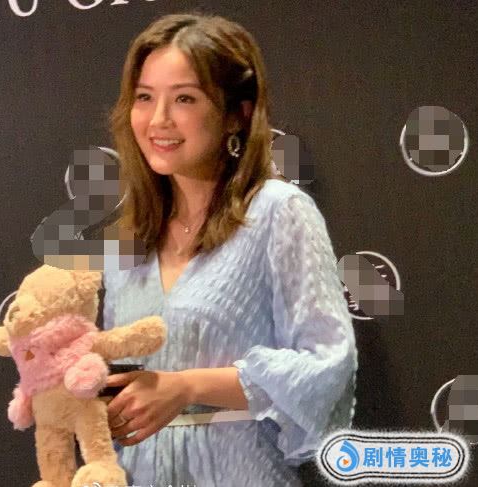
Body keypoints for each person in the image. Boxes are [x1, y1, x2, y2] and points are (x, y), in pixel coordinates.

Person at [101, 12, 358, 487]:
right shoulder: (129, 239)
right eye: (144, 97)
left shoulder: (278, 211)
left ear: (237, 113)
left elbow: (327, 362)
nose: (158, 119)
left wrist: (186, 387)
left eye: (184, 98)